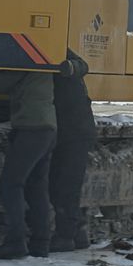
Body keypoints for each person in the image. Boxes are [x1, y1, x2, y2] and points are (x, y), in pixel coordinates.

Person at [0, 69, 57, 260]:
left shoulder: (28, 59)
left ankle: (16, 242)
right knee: (36, 186)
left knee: (10, 184)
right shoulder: (46, 56)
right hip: (47, 127)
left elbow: (1, 84)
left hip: (30, 128)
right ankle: (40, 243)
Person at [49, 50, 97, 252]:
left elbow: (82, 65)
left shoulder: (58, 53)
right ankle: (77, 232)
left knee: (65, 184)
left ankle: (66, 236)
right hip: (73, 128)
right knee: (64, 183)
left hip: (72, 130)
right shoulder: (57, 51)